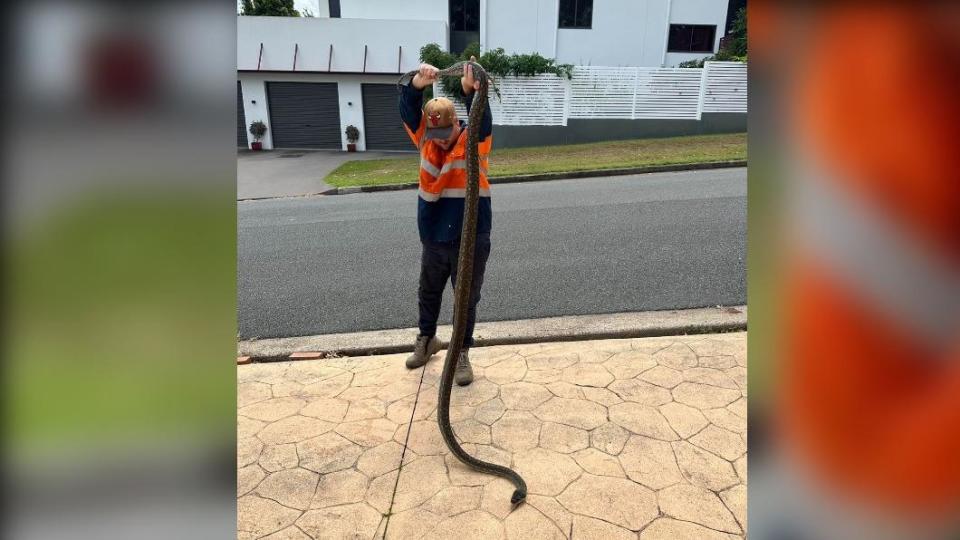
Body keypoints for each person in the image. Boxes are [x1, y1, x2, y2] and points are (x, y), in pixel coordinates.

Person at [398, 58, 493, 386]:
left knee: (466, 297)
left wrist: (471, 91)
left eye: (444, 130)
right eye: (433, 130)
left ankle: (461, 351)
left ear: (457, 123)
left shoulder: (475, 141)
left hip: (472, 236)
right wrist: (415, 86)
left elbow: (482, 115)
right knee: (428, 291)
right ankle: (426, 340)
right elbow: (408, 111)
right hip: (434, 235)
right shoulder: (425, 137)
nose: (438, 138)